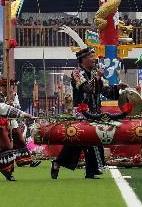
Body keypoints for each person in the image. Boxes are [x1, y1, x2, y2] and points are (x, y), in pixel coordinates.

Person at [51, 47, 125, 180]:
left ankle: (89, 170)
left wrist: (117, 88)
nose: (94, 59)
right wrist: (97, 77)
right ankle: (63, 163)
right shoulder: (77, 73)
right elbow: (88, 89)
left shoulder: (94, 73)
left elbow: (104, 91)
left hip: (95, 112)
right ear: (83, 59)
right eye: (91, 57)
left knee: (90, 139)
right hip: (82, 112)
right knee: (81, 140)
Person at [0, 77, 40, 168]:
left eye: (11, 87)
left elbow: (18, 107)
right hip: (1, 121)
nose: (10, 89)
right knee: (3, 142)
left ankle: (26, 160)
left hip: (12, 120)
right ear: (2, 87)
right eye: (8, 87)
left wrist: (12, 104)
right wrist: (5, 104)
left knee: (19, 139)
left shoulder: (14, 95)